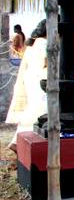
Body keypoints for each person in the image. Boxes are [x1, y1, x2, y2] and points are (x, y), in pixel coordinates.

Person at [6, 21, 48, 152]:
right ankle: (21, 143)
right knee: (39, 111)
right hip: (41, 80)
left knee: (33, 110)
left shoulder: (32, 45)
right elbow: (47, 62)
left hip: (31, 79)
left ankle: (17, 141)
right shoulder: (45, 44)